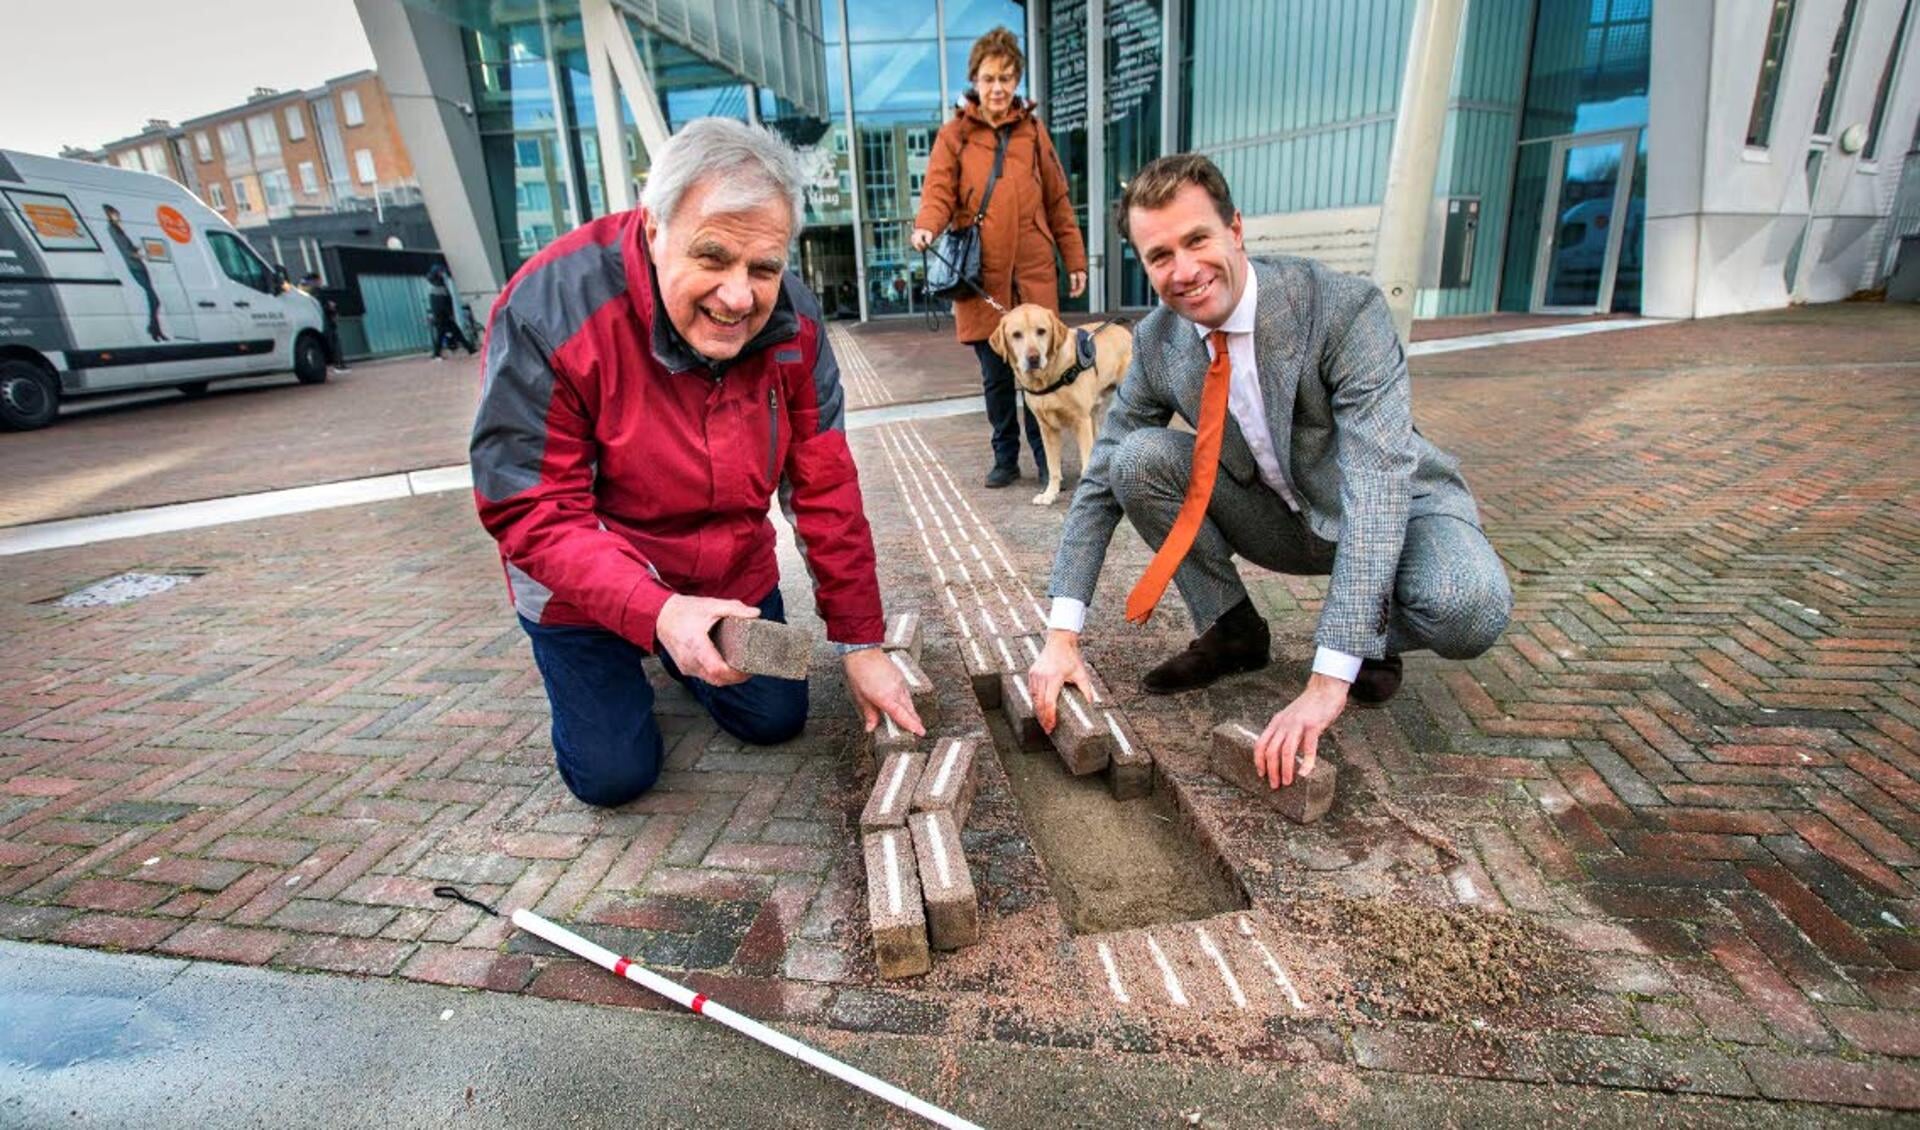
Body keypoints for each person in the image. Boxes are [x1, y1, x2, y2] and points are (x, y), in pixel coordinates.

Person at [470, 118, 925, 808]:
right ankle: (634, 655)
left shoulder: (794, 324)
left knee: (776, 717)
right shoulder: (547, 310)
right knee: (613, 777)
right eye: (712, 258)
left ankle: (683, 647)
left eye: (764, 268)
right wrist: (654, 610)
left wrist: (860, 640)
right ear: (654, 229)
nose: (739, 297)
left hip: (724, 573)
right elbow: (530, 506)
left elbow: (824, 483)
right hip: (583, 594)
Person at [1027, 153, 1512, 795]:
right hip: (1276, 516)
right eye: (1160, 255)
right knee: (1136, 458)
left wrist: (1327, 676)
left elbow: (1375, 489)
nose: (1186, 271)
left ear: (1236, 228)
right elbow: (1096, 484)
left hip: (1392, 507)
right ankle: (1232, 630)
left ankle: (1365, 635)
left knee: (1470, 605)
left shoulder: (1343, 311)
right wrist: (1062, 635)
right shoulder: (1157, 342)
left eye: (1197, 239)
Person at [911, 26, 1087, 490]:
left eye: (1007, 78)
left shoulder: (1032, 132)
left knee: (1042, 371)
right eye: (989, 78)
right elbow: (939, 189)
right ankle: (1005, 457)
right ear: (975, 79)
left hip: (1031, 272)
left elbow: (1058, 200)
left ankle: (1047, 461)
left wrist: (1076, 260)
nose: (998, 87)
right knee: (996, 378)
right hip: (982, 277)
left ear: (1017, 81)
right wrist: (928, 224)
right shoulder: (955, 135)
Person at [102, 205, 165, 342]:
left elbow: (130, 248)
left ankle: (155, 329)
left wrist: (141, 247)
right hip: (135, 267)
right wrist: (144, 256)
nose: (118, 216)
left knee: (152, 300)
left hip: (139, 267)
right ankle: (153, 328)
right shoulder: (113, 230)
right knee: (154, 300)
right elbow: (127, 252)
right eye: (115, 214)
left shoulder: (119, 230)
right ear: (110, 215)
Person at [297, 272, 349, 373]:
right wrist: (331, 307)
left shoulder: (301, 292)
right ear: (315, 280)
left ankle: (333, 364)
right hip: (324, 321)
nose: (320, 282)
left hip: (311, 322)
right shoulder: (316, 291)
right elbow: (322, 306)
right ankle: (339, 365)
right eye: (319, 280)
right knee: (333, 342)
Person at [428, 262, 475, 359]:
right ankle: (469, 349)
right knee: (452, 332)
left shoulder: (436, 284)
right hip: (443, 316)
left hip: (441, 316)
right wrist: (449, 313)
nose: (442, 273)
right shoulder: (439, 285)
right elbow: (443, 302)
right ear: (437, 273)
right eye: (440, 272)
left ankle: (469, 349)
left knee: (444, 334)